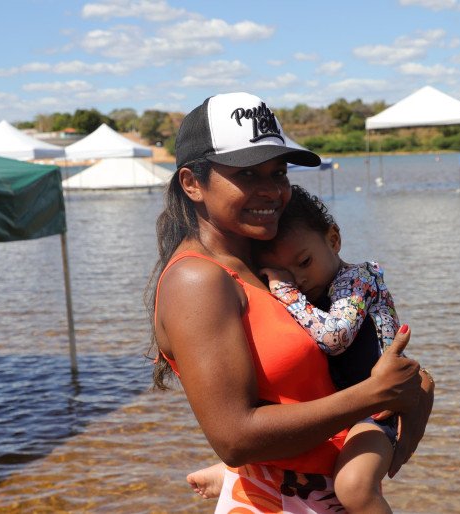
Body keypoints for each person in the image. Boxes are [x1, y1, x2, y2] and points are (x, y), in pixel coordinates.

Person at [148, 91, 434, 513]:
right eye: (247, 175)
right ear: (192, 183)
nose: (272, 191)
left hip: (317, 491)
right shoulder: (199, 280)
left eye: (278, 173)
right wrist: (377, 394)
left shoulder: (261, 262)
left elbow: (307, 380)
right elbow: (234, 437)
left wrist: (414, 389)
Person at [186, 185, 408, 513]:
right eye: (286, 273)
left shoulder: (358, 279)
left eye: (304, 262)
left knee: (355, 487)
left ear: (333, 240)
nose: (300, 279)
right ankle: (238, 473)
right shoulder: (318, 288)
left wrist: (282, 287)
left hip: (377, 411)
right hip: (347, 407)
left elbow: (337, 336)